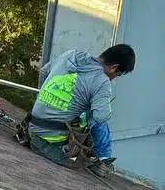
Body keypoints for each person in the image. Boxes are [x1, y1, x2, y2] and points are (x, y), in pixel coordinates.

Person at [26, 44, 136, 178]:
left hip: (32, 129)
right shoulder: (102, 81)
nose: (114, 78)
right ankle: (103, 161)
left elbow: (44, 71)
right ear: (114, 67)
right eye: (118, 74)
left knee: (88, 109)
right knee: (99, 117)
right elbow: (101, 117)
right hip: (53, 145)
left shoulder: (71, 54)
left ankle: (101, 159)